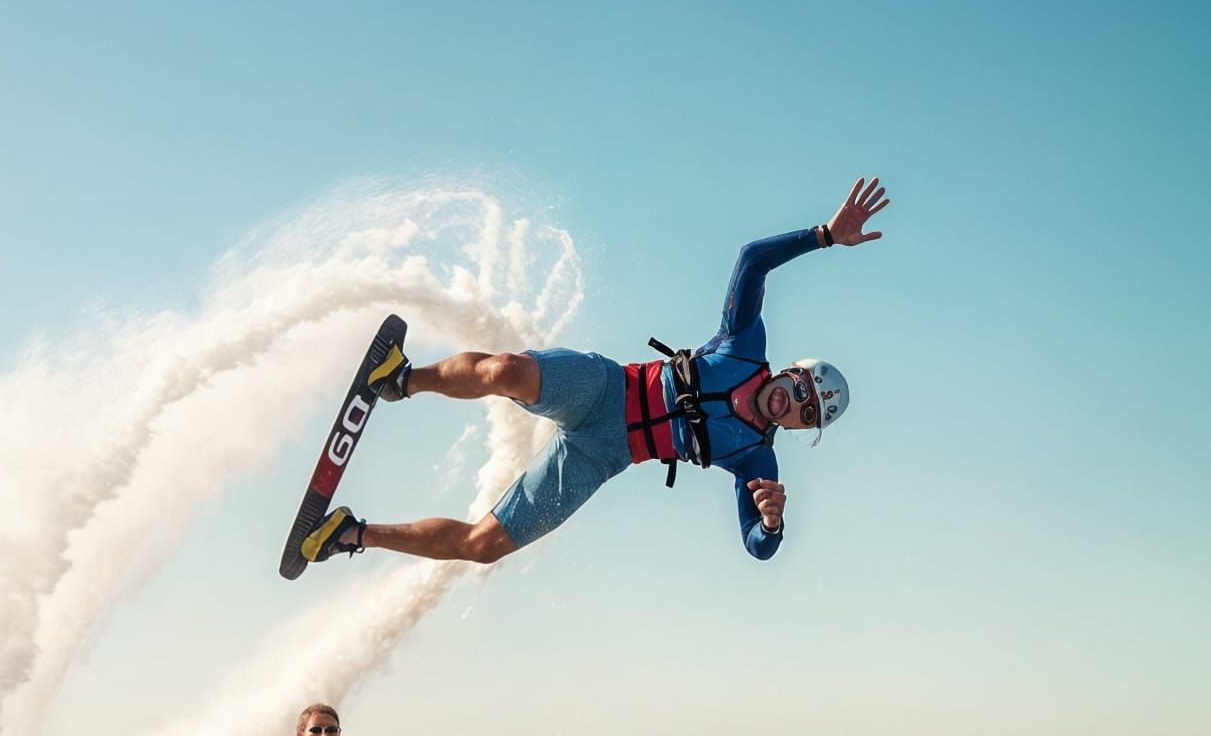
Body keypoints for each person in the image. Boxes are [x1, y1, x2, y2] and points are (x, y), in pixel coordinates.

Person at [301, 177, 889, 568]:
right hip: (605, 389)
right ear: (788, 372)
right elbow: (751, 261)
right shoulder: (744, 346)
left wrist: (773, 525)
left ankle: (349, 533)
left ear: (801, 429)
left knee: (484, 547)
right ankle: (400, 380)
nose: (795, 403)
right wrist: (823, 236)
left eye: (807, 413)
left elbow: (757, 548)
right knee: (507, 370)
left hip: (602, 455)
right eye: (801, 388)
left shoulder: (757, 461)